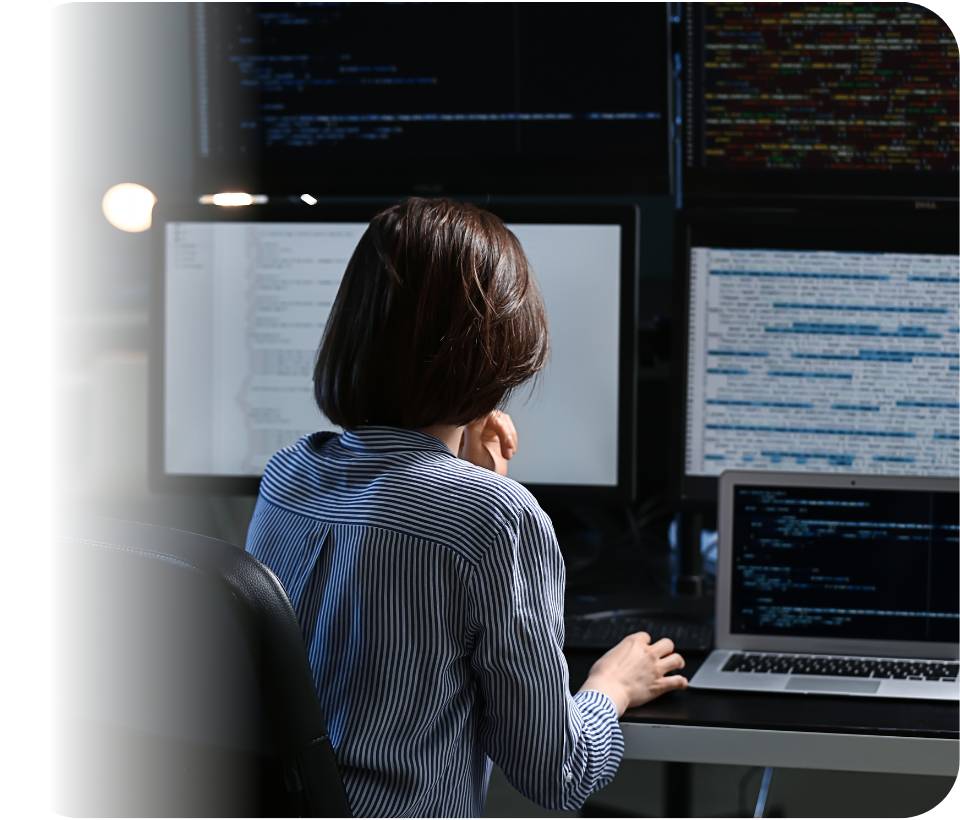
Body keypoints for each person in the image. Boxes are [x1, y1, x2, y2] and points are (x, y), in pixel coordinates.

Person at [246, 197, 687, 817]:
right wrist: (612, 685)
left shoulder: (287, 473)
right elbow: (559, 775)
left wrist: (471, 480)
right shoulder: (495, 517)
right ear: (496, 351)